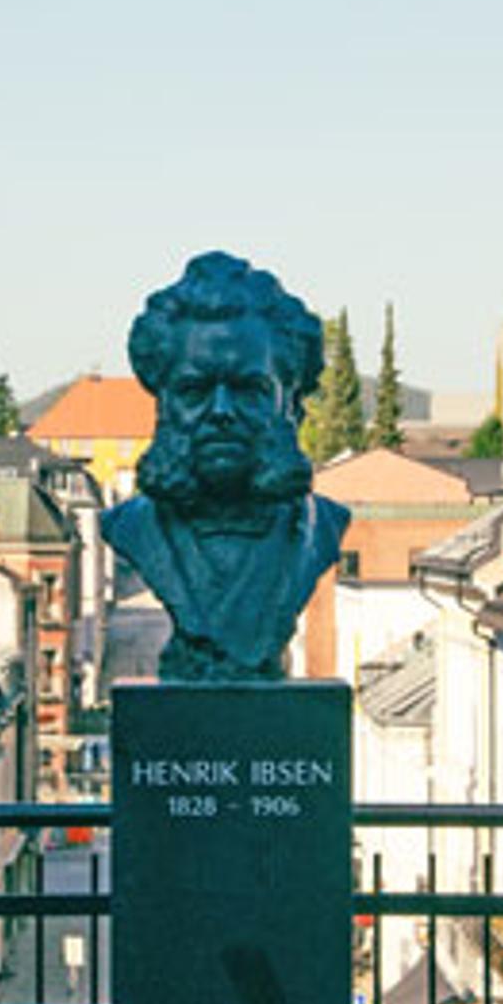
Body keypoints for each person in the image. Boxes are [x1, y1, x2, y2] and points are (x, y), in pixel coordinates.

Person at [103, 251, 350, 683]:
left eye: (248, 389)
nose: (221, 411)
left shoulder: (322, 528)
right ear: (163, 403)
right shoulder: (130, 528)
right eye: (194, 389)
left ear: (289, 402)